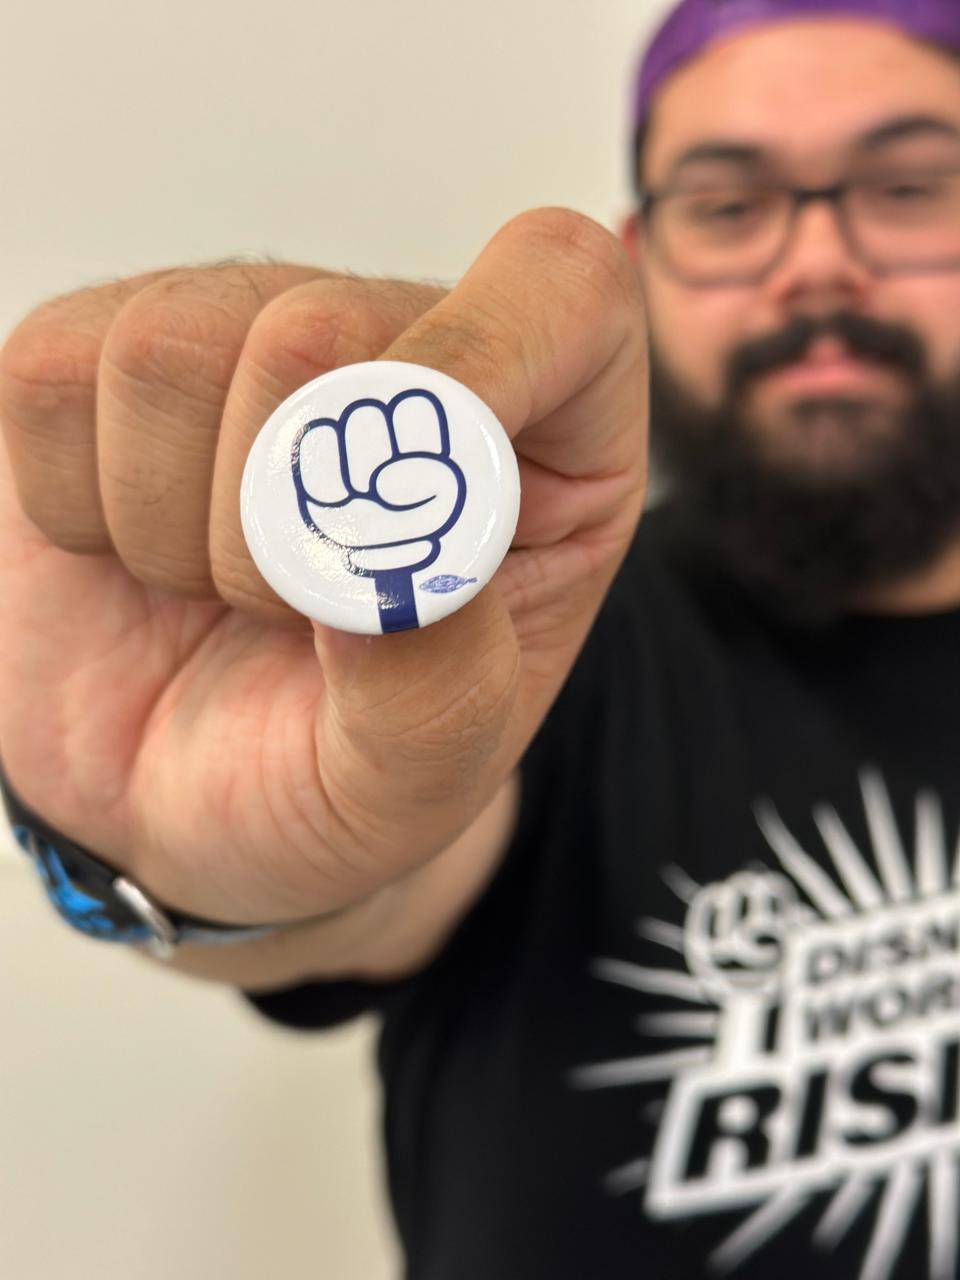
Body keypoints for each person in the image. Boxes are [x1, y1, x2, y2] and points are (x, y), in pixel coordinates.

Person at [3, 0, 960, 1274]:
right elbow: (373, 873)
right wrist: (175, 856)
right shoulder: (532, 633)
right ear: (640, 260)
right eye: (730, 207)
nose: (819, 262)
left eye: (906, 187)